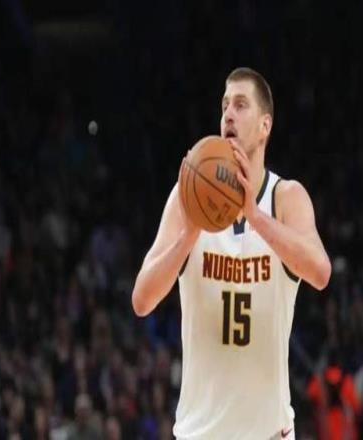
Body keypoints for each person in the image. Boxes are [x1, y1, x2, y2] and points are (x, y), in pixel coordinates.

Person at [132, 67, 331, 439]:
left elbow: (320, 272)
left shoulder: (286, 198)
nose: (228, 114)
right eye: (224, 105)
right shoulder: (187, 198)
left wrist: (255, 217)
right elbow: (142, 300)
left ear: (265, 125)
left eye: (240, 105)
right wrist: (190, 232)